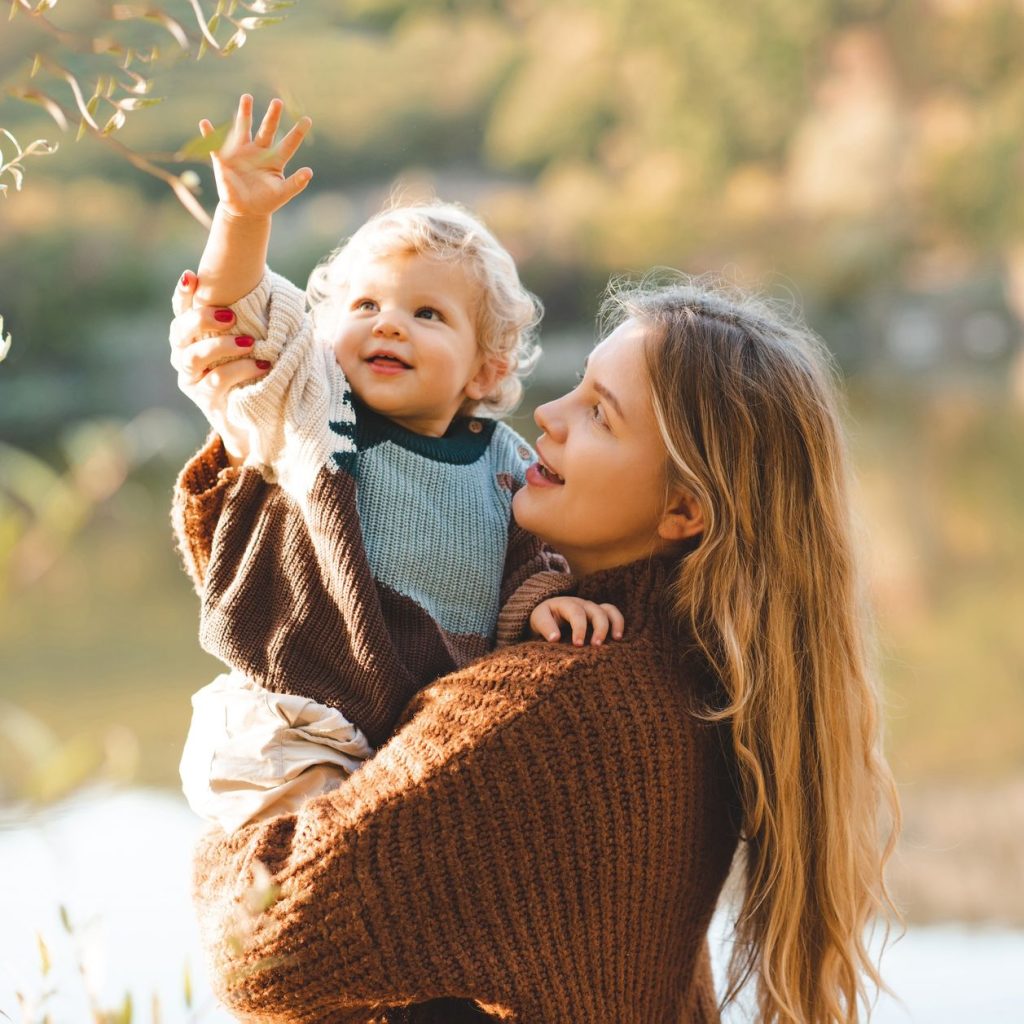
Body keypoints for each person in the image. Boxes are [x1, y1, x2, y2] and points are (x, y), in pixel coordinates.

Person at [169, 267, 900, 1022]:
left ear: (685, 508)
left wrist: (243, 810)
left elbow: (262, 947)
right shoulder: (690, 677)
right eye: (577, 387)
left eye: (599, 415)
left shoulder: (548, 707)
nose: (548, 414)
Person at [172, 95, 620, 832]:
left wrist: (544, 605)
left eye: (427, 314)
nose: (388, 322)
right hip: (289, 720)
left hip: (404, 735)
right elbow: (240, 312)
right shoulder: (311, 407)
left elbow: (529, 560)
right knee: (318, 871)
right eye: (367, 305)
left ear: (485, 369)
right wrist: (243, 219)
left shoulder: (503, 462)